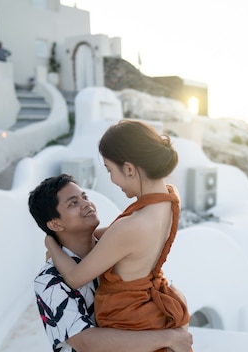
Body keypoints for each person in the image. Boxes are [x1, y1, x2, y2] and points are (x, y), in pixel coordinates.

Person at [44, 120, 191, 346]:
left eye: (110, 170)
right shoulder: (171, 198)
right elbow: (114, 239)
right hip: (149, 304)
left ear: (130, 169)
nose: (112, 180)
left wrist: (51, 243)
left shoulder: (132, 226)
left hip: (126, 316)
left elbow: (74, 278)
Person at [29, 174, 193, 352]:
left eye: (85, 197)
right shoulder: (49, 280)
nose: (86, 204)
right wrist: (169, 338)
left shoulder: (113, 248)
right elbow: (85, 341)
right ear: (55, 225)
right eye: (73, 203)